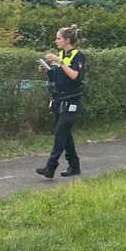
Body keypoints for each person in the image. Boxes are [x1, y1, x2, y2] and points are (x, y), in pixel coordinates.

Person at [35, 25, 86, 179]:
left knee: (60, 132)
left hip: (71, 100)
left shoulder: (78, 55)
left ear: (67, 40)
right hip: (58, 98)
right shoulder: (60, 55)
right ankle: (74, 166)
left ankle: (50, 167)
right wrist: (47, 71)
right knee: (65, 133)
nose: (55, 41)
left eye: (58, 38)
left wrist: (60, 61)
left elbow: (75, 76)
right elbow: (57, 77)